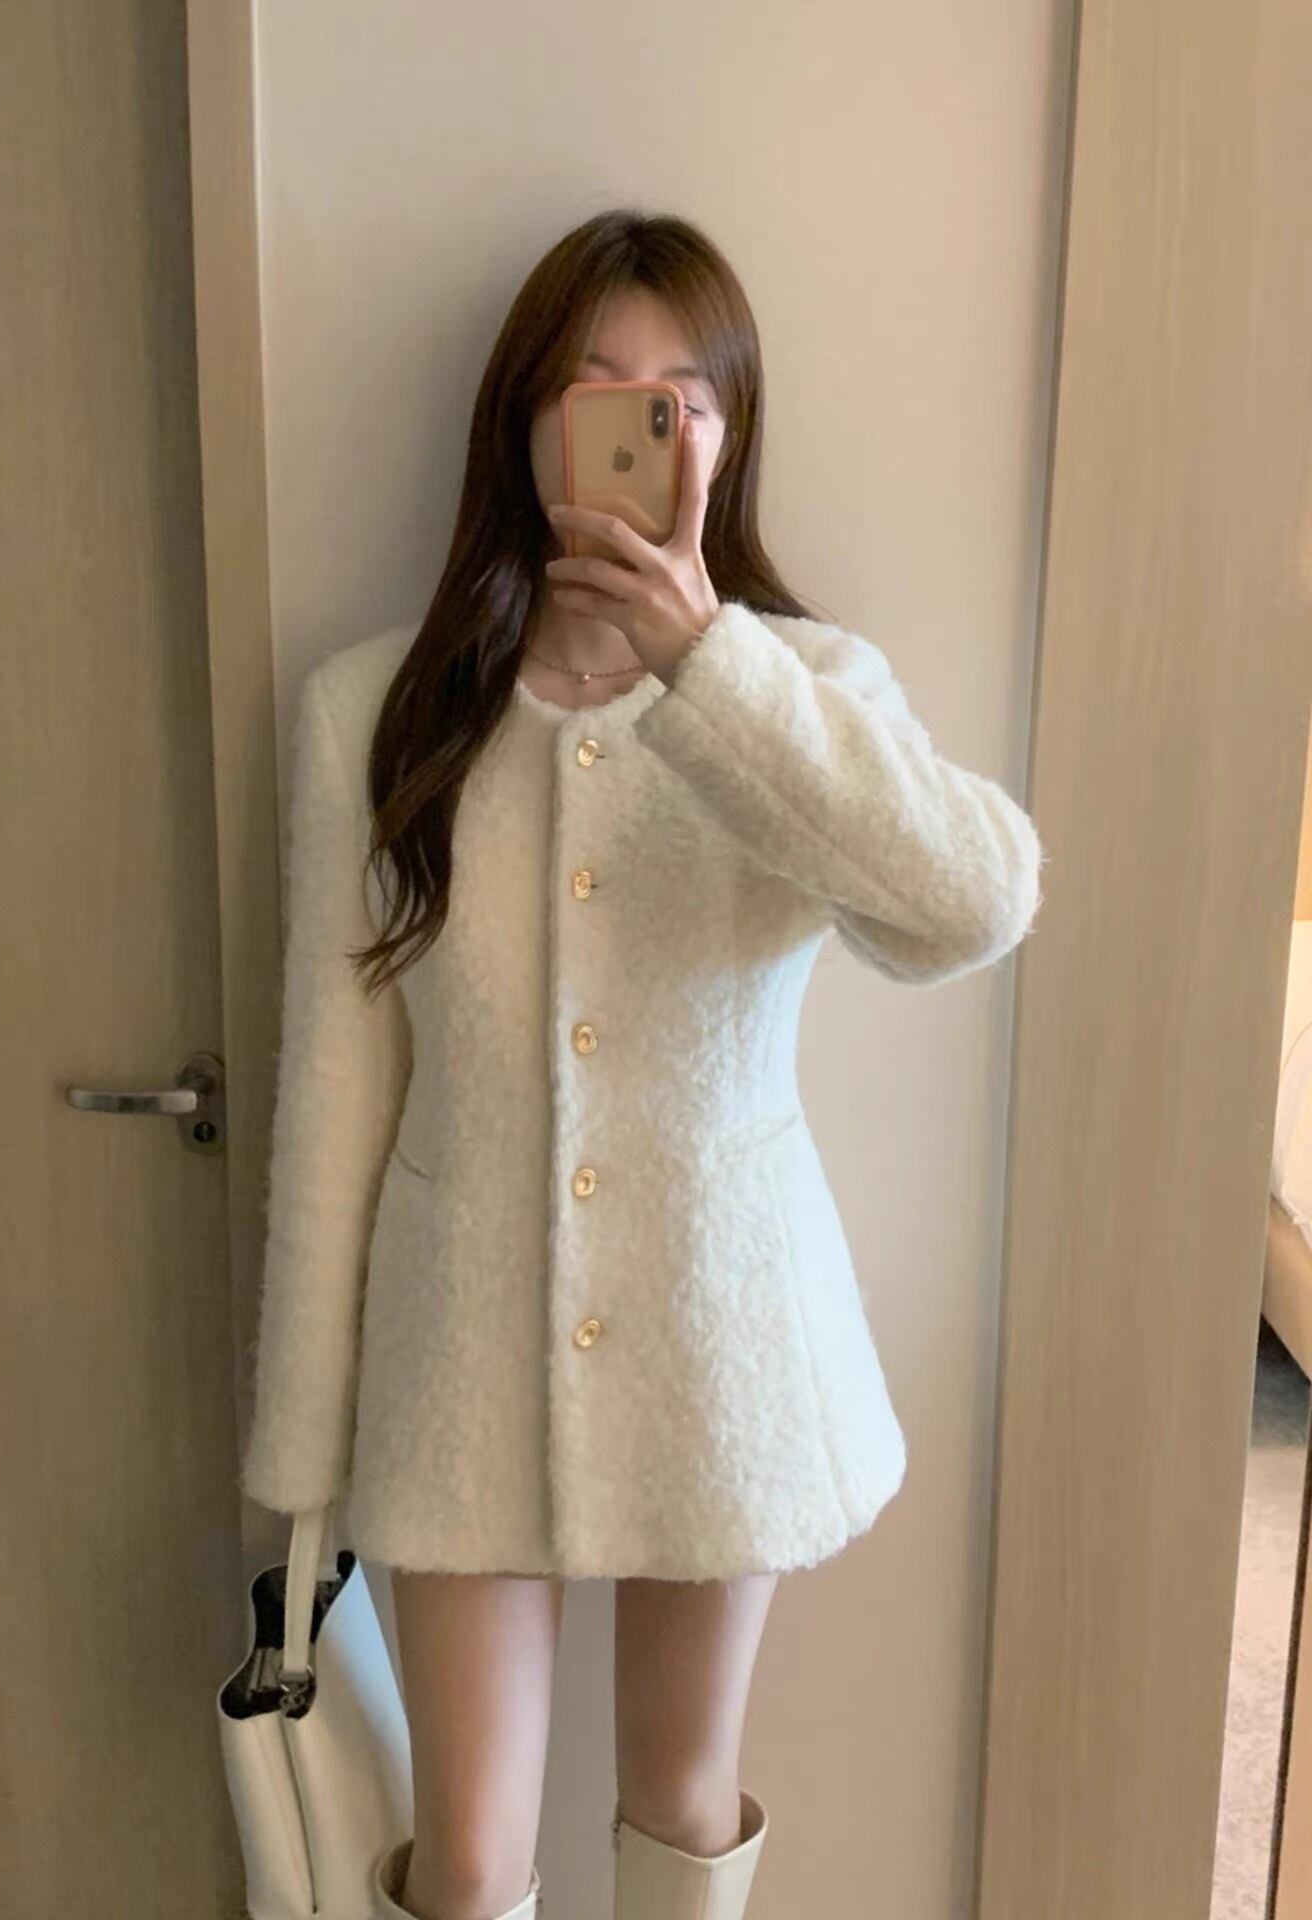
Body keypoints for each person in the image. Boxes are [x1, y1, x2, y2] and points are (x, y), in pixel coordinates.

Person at [240, 207, 1046, 1920]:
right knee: (467, 1858)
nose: (638, 428)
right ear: (525, 416)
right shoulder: (377, 711)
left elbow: (973, 908)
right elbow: (336, 1102)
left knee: (680, 1804)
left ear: (723, 439)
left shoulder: (804, 685)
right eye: (597, 387)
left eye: (680, 399)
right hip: (456, 1357)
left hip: (722, 1337)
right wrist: (299, 1457)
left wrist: (704, 662)